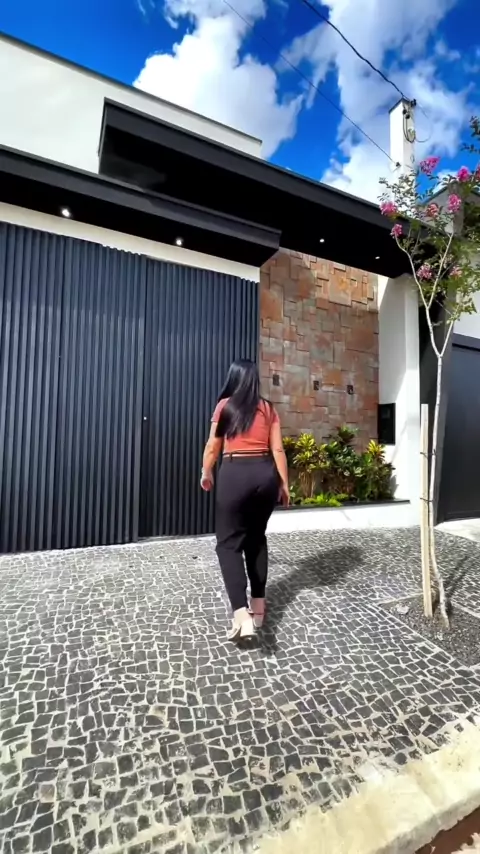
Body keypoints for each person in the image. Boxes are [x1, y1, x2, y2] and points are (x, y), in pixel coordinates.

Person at [200, 359, 289, 641]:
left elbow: (213, 446)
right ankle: (259, 608)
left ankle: (241, 614)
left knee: (228, 545)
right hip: (265, 475)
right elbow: (278, 449)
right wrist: (284, 485)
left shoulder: (225, 406)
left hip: (235, 473)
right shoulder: (269, 408)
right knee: (256, 538)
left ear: (233, 378)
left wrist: (206, 472)